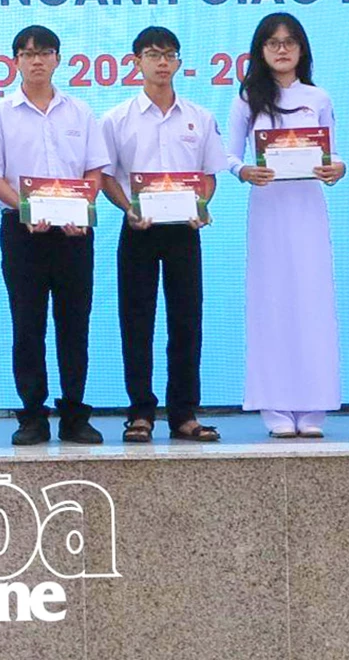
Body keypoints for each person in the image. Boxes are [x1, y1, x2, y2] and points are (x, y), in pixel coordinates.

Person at [0, 25, 108, 446]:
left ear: (57, 59)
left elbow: (95, 169)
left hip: (74, 233)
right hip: (22, 231)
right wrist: (24, 208)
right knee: (27, 324)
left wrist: (82, 207)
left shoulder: (80, 112)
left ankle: (74, 415)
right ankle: (32, 415)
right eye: (28, 53)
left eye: (45, 52)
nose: (37, 60)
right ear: (15, 61)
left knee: (75, 324)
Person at [100, 26, 225, 444]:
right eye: (153, 54)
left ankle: (184, 413)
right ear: (136, 62)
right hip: (138, 228)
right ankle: (140, 413)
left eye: (170, 54)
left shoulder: (199, 117)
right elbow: (106, 176)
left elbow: (208, 175)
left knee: (187, 320)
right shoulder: (116, 119)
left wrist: (200, 205)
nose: (162, 62)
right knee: (136, 321)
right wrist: (128, 208)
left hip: (184, 231)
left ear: (178, 62)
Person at [226, 13, 345, 439]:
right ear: (260, 50)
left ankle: (314, 404)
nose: (282, 49)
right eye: (273, 42)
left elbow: (331, 154)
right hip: (268, 211)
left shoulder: (318, 97)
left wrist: (338, 168)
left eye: (290, 42)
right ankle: (274, 404)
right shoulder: (247, 99)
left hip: (308, 210)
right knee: (271, 303)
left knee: (312, 302)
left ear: (302, 49)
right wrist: (244, 171)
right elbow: (229, 155)